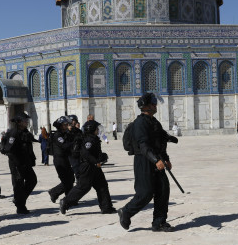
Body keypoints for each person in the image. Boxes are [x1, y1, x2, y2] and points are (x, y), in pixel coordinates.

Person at [118, 92, 178, 231]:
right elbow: (143, 145)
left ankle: (159, 222)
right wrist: (156, 160)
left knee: (163, 190)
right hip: (144, 161)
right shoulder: (140, 123)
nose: (155, 105)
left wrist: (166, 159)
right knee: (145, 193)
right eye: (152, 103)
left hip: (157, 159)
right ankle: (126, 212)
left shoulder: (154, 121)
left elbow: (161, 142)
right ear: (146, 106)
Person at [61, 119, 116, 214]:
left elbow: (94, 153)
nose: (98, 131)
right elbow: (86, 154)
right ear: (91, 129)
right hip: (87, 166)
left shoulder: (93, 138)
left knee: (102, 185)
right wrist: (96, 161)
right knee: (83, 187)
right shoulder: (89, 140)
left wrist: (101, 157)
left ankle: (106, 207)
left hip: (94, 166)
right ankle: (65, 201)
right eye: (96, 129)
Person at [1, 112, 37, 214]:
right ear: (19, 122)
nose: (26, 122)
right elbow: (9, 150)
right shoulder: (13, 133)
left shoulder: (25, 132)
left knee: (32, 181)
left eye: (27, 120)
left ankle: (19, 200)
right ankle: (20, 207)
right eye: (25, 120)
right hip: (16, 163)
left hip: (26, 162)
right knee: (18, 185)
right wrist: (17, 164)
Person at [47, 116, 75, 203]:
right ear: (60, 125)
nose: (67, 125)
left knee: (71, 179)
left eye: (67, 124)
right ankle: (54, 192)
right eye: (65, 124)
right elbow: (64, 145)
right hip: (59, 160)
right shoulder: (57, 135)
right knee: (66, 181)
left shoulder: (65, 134)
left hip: (65, 158)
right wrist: (74, 142)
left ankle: (69, 198)